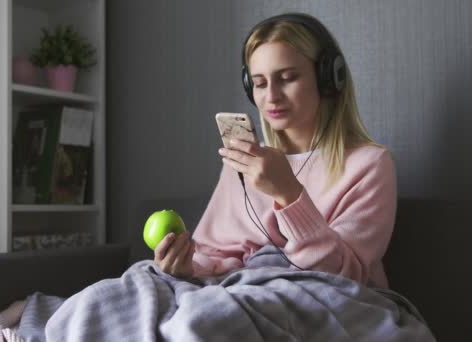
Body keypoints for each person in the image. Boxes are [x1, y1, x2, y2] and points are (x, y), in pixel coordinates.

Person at [153, 13, 397, 288]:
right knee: (116, 291)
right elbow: (214, 256)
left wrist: (289, 194)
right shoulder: (245, 164)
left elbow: (345, 276)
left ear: (329, 78)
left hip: (323, 300)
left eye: (288, 78)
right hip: (240, 291)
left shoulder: (370, 164)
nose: (271, 96)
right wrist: (187, 267)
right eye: (259, 83)